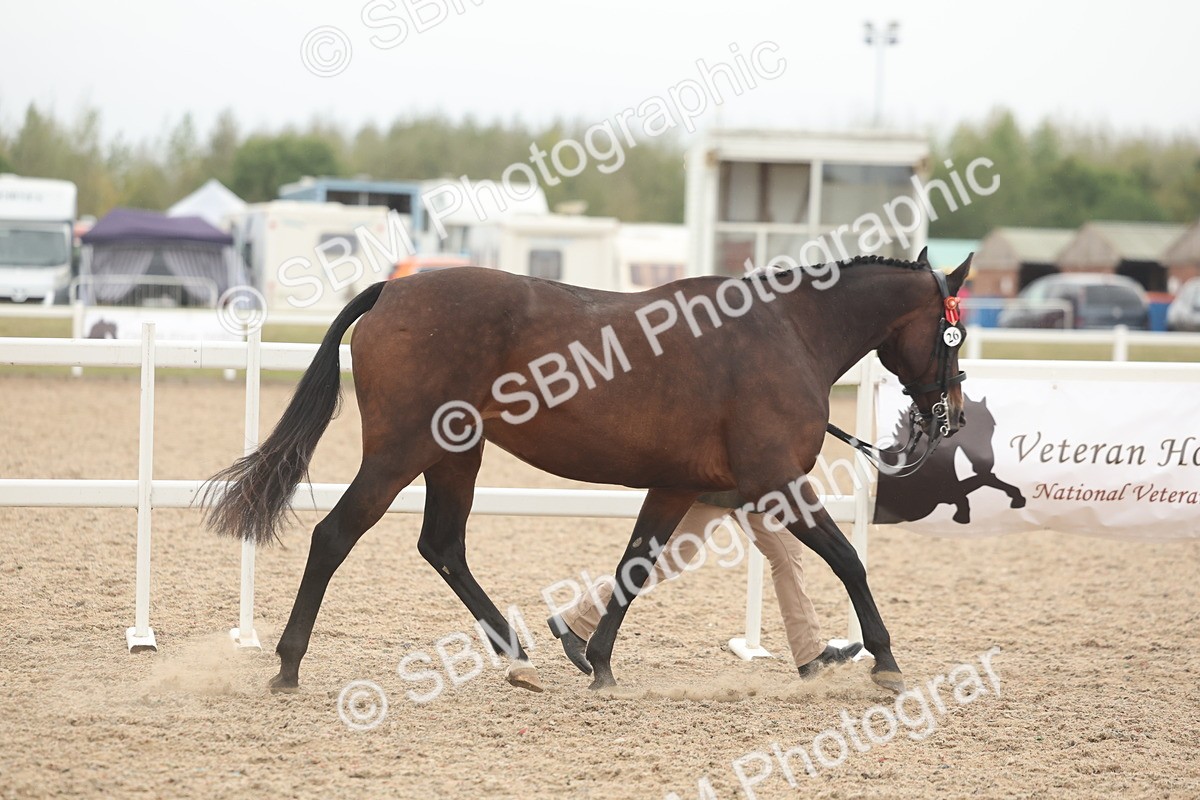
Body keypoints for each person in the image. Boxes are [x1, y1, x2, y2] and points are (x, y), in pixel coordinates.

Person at [547, 494, 862, 678]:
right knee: (667, 561)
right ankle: (577, 619)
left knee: (787, 551)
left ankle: (810, 654)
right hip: (717, 483)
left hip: (751, 484)